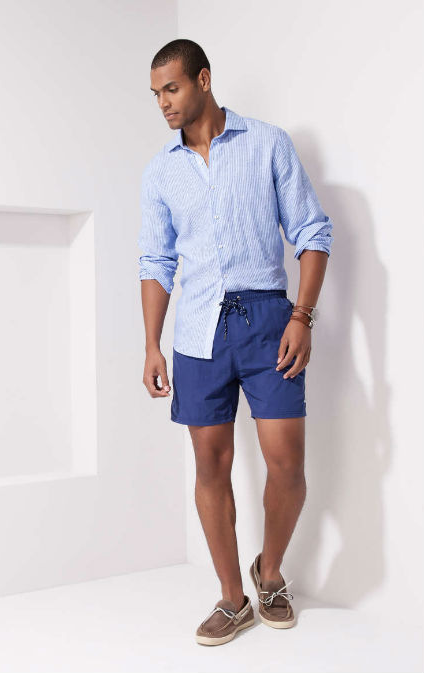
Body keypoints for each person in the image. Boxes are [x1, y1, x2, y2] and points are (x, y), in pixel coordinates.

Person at [138, 39, 333, 647]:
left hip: (270, 320)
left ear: (203, 79)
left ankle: (269, 574)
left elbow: (312, 231)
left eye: (172, 88)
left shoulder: (268, 143)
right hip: (197, 329)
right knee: (211, 464)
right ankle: (232, 598)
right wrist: (151, 344)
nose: (164, 103)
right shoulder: (161, 172)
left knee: (287, 463)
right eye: (156, 94)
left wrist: (302, 316)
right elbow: (156, 261)